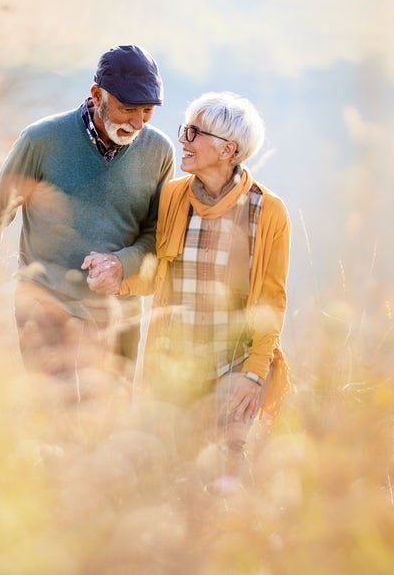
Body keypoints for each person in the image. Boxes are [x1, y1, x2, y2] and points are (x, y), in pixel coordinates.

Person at [0, 45, 175, 398]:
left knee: (106, 432)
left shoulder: (159, 152)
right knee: (54, 423)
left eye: (147, 111)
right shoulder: (41, 140)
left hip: (117, 316)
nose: (138, 123)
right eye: (128, 109)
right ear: (97, 95)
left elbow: (158, 234)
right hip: (45, 308)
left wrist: (122, 264)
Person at [123, 91, 291, 490]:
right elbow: (156, 274)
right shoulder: (172, 198)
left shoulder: (267, 212)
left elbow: (271, 301)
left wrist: (254, 374)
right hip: (172, 367)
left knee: (223, 476)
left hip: (231, 369)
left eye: (194, 132)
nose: (183, 138)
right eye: (186, 129)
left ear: (227, 149)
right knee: (161, 472)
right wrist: (120, 277)